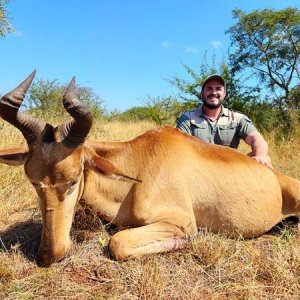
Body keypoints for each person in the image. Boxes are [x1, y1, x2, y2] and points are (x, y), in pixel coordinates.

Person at [176, 74, 272, 167]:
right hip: (198, 169)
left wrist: (260, 156)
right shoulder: (187, 118)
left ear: (224, 94)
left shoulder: (236, 118)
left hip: (228, 169)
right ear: (202, 93)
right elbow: (179, 148)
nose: (214, 93)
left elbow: (256, 139)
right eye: (209, 89)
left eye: (218, 89)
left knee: (265, 160)